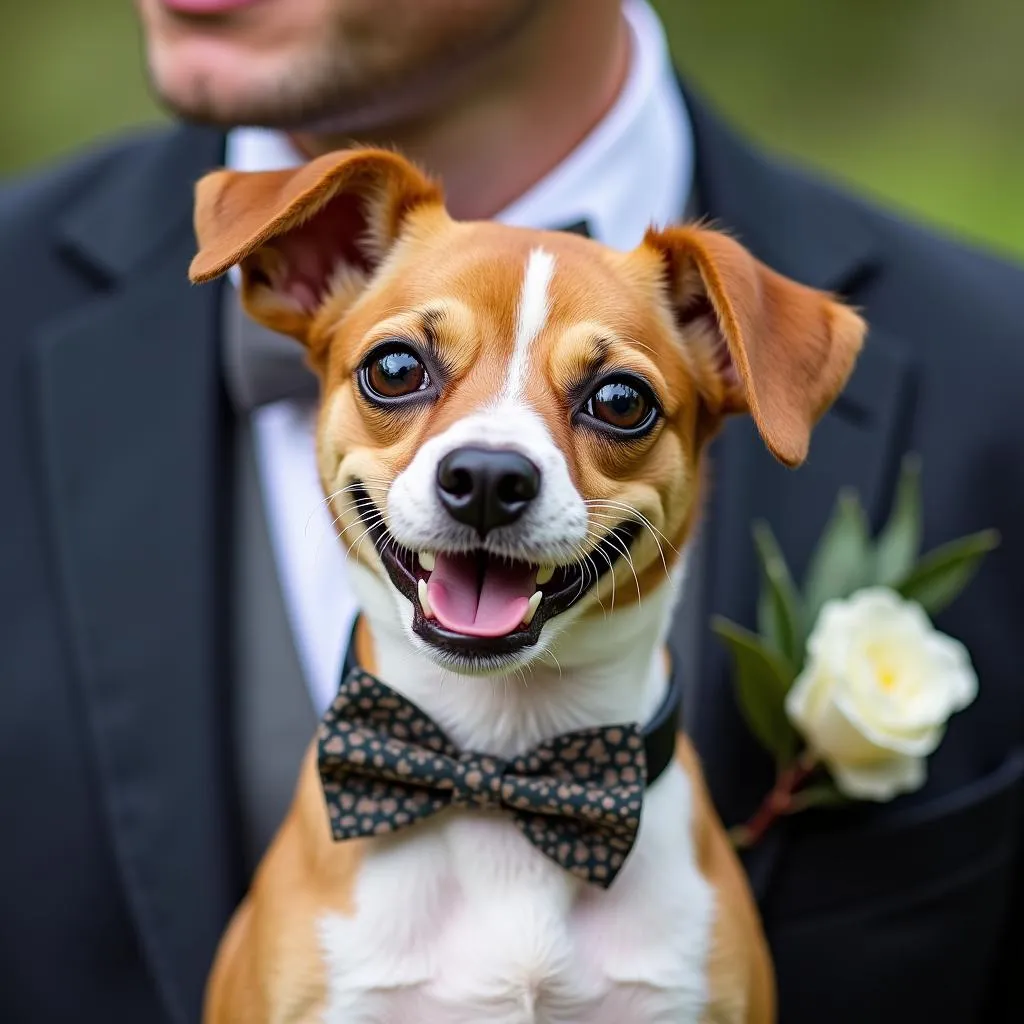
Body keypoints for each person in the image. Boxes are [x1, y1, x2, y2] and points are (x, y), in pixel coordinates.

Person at [1, 0, 1021, 1020]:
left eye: (614, 401)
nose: (490, 460)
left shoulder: (991, 370)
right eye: (400, 370)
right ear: (304, 267)